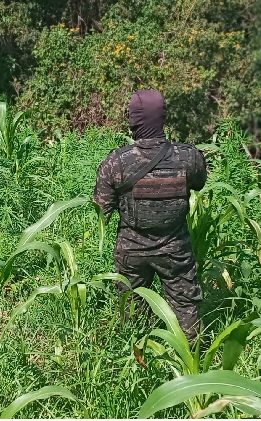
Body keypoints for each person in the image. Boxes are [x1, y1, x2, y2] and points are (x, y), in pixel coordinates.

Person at [93, 89, 207, 342]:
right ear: (163, 117)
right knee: (185, 307)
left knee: (132, 308)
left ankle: (137, 359)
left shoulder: (116, 162)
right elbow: (199, 184)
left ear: (133, 120)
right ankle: (193, 364)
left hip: (131, 250)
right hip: (175, 249)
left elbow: (102, 209)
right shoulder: (189, 156)